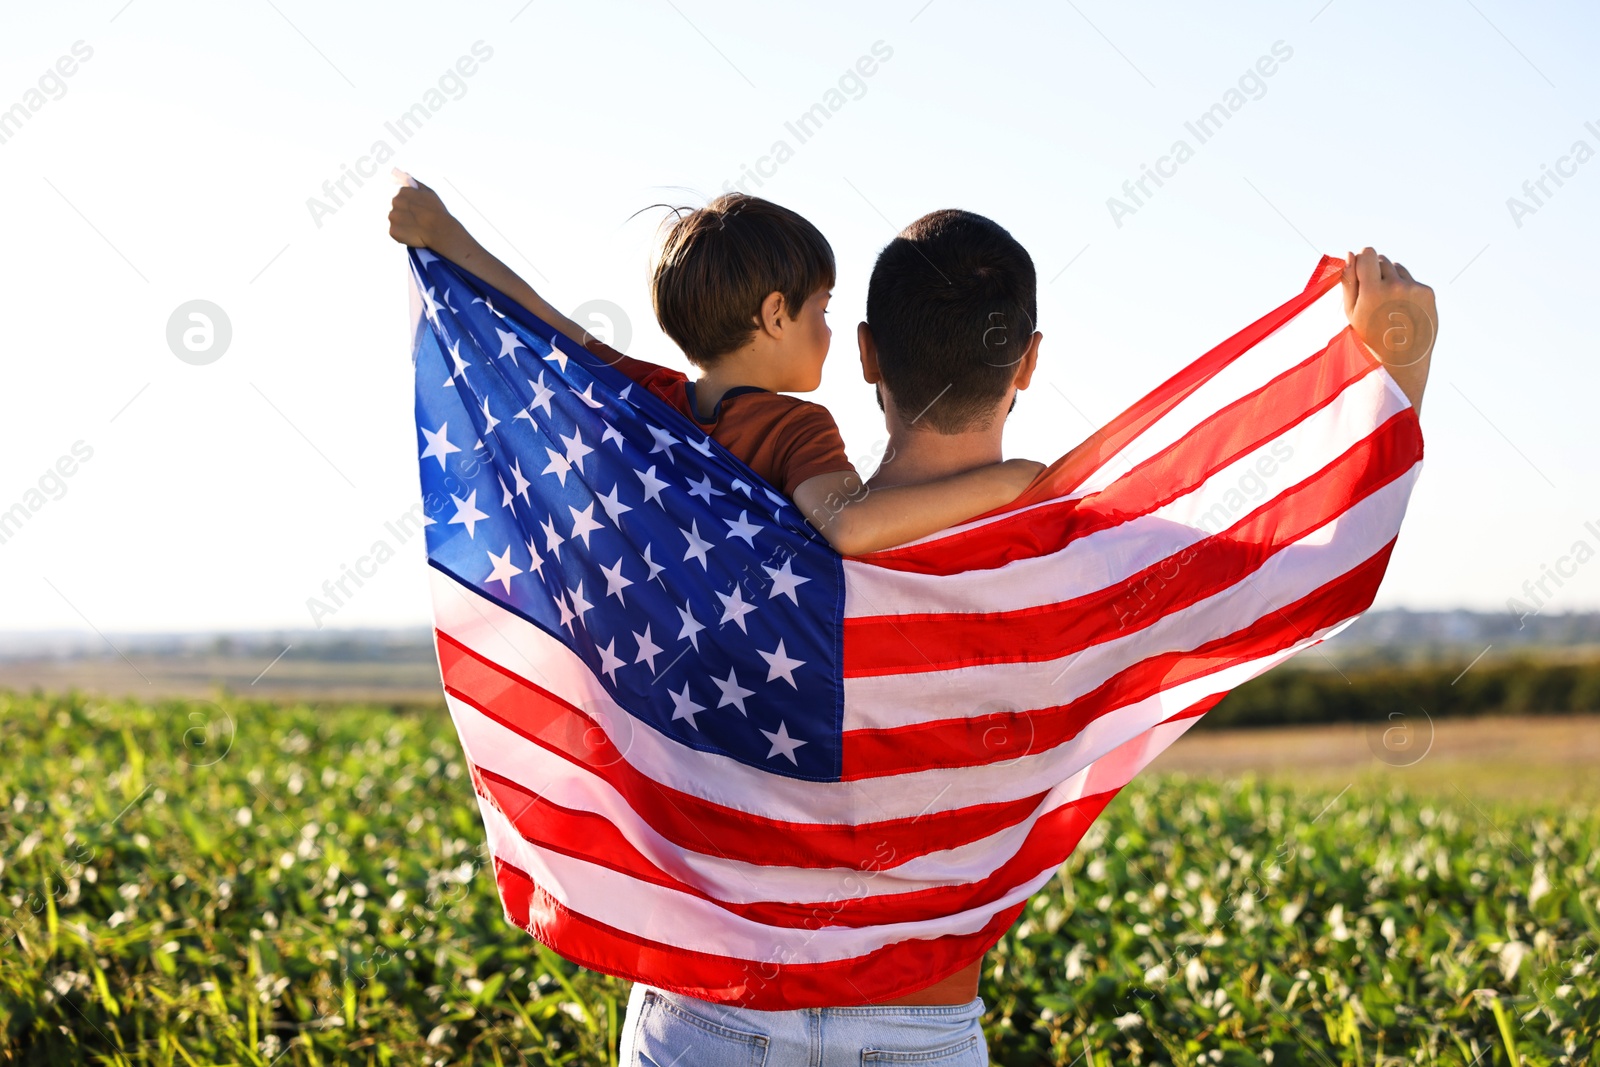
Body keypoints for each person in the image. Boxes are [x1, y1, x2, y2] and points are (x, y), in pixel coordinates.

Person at [392, 184, 1437, 1061]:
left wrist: (447, 243)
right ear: (1025, 361)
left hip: (703, 1014)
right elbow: (1308, 562)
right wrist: (1390, 363)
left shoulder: (684, 479)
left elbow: (559, 346)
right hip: (915, 1027)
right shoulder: (1075, 573)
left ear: (863, 356)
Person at [388, 185, 1045, 557]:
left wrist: (450, 238)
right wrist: (1014, 480)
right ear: (775, 314)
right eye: (823, 307)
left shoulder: (648, 399)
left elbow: (546, 325)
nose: (829, 329)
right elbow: (853, 526)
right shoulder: (796, 428)